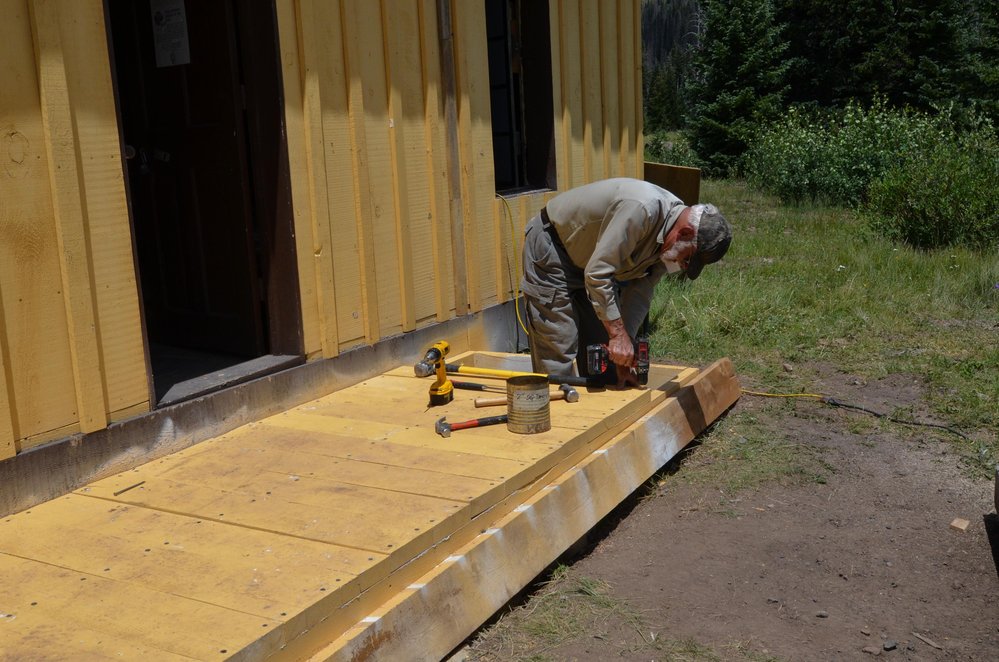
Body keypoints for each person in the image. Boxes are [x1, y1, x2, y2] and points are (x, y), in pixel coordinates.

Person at [520, 177, 732, 386]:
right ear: (685, 232)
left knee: (601, 353)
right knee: (559, 344)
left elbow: (642, 289)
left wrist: (624, 346)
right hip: (554, 249)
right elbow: (598, 274)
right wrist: (618, 335)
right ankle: (556, 413)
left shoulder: (671, 240)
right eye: (687, 259)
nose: (683, 265)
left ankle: (599, 414)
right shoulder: (642, 210)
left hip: (590, 263)